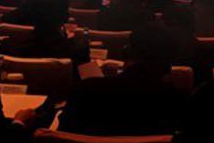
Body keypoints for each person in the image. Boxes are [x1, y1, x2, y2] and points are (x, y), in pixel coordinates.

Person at [58, 23, 186, 136]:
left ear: (128, 52)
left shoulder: (87, 92)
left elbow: (64, 133)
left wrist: (86, 67)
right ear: (170, 63)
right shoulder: (178, 104)